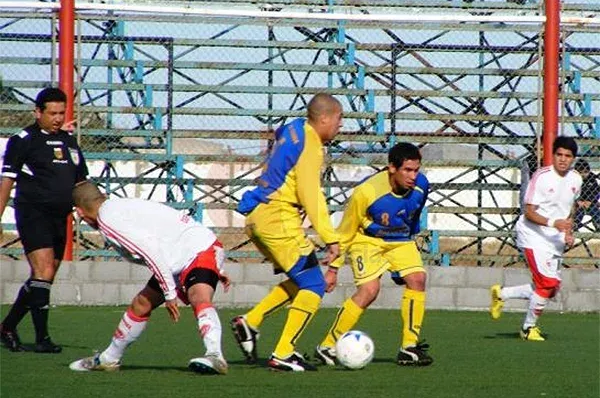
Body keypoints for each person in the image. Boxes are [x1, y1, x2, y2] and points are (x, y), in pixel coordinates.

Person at [68, 181, 230, 374]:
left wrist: (170, 294)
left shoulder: (108, 220)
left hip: (198, 250)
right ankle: (109, 359)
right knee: (141, 304)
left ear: (80, 211)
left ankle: (215, 356)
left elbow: (150, 252)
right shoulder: (115, 209)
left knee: (199, 296)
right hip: (182, 255)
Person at [230, 93, 342, 372]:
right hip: (277, 217)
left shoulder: (294, 128)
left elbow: (281, 142)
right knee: (314, 284)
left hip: (260, 215)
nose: (341, 126)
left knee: (303, 278)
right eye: (339, 119)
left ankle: (251, 321)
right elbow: (311, 194)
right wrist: (331, 237)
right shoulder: (312, 145)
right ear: (325, 118)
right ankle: (283, 352)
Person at [314, 142, 433, 367]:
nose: (413, 176)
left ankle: (409, 347)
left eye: (416, 170)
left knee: (417, 279)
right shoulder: (366, 192)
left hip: (401, 240)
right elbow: (346, 231)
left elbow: (413, 215)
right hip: (367, 240)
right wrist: (333, 270)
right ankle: (327, 345)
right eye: (407, 170)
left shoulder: (422, 186)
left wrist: (409, 248)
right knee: (369, 291)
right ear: (391, 168)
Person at [0, 87, 88, 353]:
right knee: (42, 272)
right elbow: (7, 181)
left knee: (45, 277)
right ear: (37, 112)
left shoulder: (69, 142)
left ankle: (6, 327)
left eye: (62, 113)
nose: (58, 118)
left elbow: (81, 181)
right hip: (33, 213)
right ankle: (42, 339)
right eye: (52, 113)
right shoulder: (23, 140)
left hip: (60, 217)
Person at [490, 136, 582, 341]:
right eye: (559, 154)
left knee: (550, 290)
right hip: (532, 235)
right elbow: (529, 212)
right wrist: (553, 224)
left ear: (573, 159)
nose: (563, 159)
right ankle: (528, 328)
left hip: (554, 237)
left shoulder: (576, 179)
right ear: (553, 155)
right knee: (547, 282)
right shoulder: (541, 177)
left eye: (568, 156)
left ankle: (502, 294)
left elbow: (570, 208)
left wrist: (567, 232)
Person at [573, 159, 600, 231]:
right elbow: (570, 193)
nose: (583, 175)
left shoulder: (592, 179)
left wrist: (590, 201)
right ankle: (575, 223)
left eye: (586, 172)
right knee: (579, 211)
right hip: (578, 203)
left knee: (594, 210)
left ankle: (598, 223)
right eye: (580, 172)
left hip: (590, 202)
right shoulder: (573, 180)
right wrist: (578, 201)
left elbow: (596, 192)